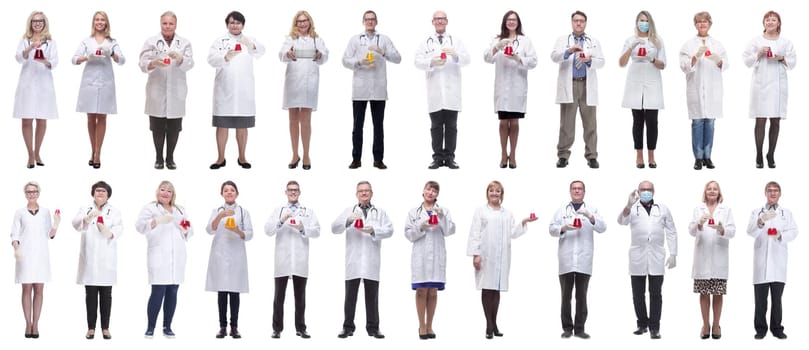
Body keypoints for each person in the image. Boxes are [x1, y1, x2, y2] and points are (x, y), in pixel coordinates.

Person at [467, 180, 537, 339]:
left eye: (497, 191)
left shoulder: (508, 213)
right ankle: (489, 325)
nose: (494, 193)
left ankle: (494, 323)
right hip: (485, 255)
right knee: (487, 288)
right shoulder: (480, 211)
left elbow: (513, 232)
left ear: (501, 194)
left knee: (496, 289)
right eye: (491, 190)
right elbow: (474, 233)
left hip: (501, 256)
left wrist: (524, 222)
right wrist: (475, 254)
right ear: (487, 193)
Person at [331, 181, 393, 339]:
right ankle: (348, 327)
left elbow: (390, 230)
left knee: (372, 297)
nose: (364, 193)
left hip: (371, 261)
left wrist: (374, 230)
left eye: (367, 191)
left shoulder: (380, 212)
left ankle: (373, 328)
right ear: (356, 194)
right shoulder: (348, 211)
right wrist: (348, 220)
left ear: (372, 193)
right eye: (361, 191)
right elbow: (334, 228)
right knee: (350, 297)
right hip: (354, 261)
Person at [617, 180, 677, 339]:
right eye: (643, 189)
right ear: (638, 191)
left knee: (656, 293)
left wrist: (673, 254)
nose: (646, 191)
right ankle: (642, 324)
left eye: (649, 189)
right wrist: (628, 205)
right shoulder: (633, 208)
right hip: (637, 256)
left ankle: (655, 328)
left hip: (657, 256)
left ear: (654, 191)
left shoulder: (663, 209)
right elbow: (621, 222)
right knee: (638, 293)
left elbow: (671, 232)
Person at [342, 10, 401, 170]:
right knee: (357, 126)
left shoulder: (384, 39)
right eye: (367, 19)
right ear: (363, 22)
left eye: (372, 19)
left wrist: (383, 52)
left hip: (378, 88)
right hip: (360, 88)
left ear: (376, 22)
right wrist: (359, 62)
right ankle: (356, 158)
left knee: (378, 126)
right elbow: (345, 60)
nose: (370, 22)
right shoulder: (355, 40)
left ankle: (378, 159)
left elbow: (398, 58)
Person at [135, 180, 193, 338]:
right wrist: (156, 221)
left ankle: (167, 326)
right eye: (162, 189)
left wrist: (182, 226)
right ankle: (150, 327)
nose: (165, 193)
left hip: (178, 256)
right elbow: (139, 226)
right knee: (157, 292)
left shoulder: (180, 210)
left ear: (173, 195)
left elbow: (189, 229)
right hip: (159, 255)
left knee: (173, 292)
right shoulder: (150, 208)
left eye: (169, 191)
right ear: (157, 192)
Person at [207, 10, 266, 170]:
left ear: (243, 25)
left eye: (238, 23)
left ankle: (242, 157)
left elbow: (261, 51)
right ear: (227, 24)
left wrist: (250, 44)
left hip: (243, 92)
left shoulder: (249, 40)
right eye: (232, 22)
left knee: (242, 126)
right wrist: (226, 56)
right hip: (224, 89)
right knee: (222, 125)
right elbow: (211, 59)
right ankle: (220, 158)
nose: (235, 25)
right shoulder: (220, 41)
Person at [548, 180, 606, 339]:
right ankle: (567, 328)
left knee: (581, 296)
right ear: (570, 191)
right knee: (565, 296)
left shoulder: (591, 209)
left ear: (584, 192)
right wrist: (563, 228)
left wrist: (590, 216)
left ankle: (579, 329)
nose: (577, 191)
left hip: (584, 259)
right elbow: (551, 229)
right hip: (566, 260)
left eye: (580, 189)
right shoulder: (562, 210)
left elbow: (602, 228)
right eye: (574, 188)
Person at [138, 11, 194, 170]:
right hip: (157, 90)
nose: (168, 26)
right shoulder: (151, 41)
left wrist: (181, 58)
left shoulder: (184, 43)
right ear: (160, 24)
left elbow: (190, 64)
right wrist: (153, 62)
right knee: (157, 126)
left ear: (176, 25)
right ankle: (158, 157)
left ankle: (170, 158)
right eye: (165, 23)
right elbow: (142, 63)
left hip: (176, 91)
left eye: (171, 23)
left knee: (174, 127)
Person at [265, 181, 321, 339]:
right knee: (278, 298)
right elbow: (267, 230)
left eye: (296, 190)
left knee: (300, 297)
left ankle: (301, 328)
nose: (293, 192)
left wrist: (303, 228)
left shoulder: (308, 211)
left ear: (299, 192)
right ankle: (277, 328)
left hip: (300, 260)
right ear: (286, 192)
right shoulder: (278, 211)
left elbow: (317, 231)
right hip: (282, 260)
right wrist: (281, 221)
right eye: (290, 190)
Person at [415, 11, 470, 170]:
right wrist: (431, 62)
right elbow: (417, 61)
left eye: (442, 19)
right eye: (437, 19)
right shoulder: (426, 42)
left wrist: (456, 55)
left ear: (446, 21)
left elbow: (467, 59)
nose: (439, 21)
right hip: (435, 92)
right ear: (432, 22)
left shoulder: (455, 40)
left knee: (452, 126)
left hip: (452, 91)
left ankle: (450, 158)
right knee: (436, 126)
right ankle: (438, 158)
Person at [742, 11, 797, 169]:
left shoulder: (785, 42)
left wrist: (781, 58)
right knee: (760, 120)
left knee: (775, 120)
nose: (770, 22)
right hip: (760, 85)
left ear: (779, 23)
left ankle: (771, 154)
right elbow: (746, 59)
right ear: (763, 23)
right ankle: (759, 154)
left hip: (777, 86)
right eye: (768, 19)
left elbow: (793, 61)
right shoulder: (756, 41)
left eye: (774, 20)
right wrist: (759, 53)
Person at [551, 11, 604, 169]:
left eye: (581, 21)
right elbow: (554, 56)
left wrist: (589, 61)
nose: (579, 23)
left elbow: (601, 62)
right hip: (570, 85)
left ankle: (592, 156)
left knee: (590, 124)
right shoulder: (563, 40)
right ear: (572, 22)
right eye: (576, 21)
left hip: (587, 84)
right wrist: (568, 52)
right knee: (566, 124)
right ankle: (563, 155)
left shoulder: (593, 41)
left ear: (585, 23)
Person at [72, 11, 125, 169]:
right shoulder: (86, 41)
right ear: (93, 22)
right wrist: (87, 57)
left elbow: (122, 60)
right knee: (90, 118)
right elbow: (74, 59)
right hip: (89, 82)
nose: (100, 22)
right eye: (97, 19)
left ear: (106, 23)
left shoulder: (112, 42)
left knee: (102, 118)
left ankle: (97, 153)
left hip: (105, 82)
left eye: (102, 20)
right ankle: (92, 149)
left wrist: (112, 54)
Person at [484, 10, 537, 169]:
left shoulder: (525, 41)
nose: (511, 22)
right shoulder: (497, 39)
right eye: (508, 20)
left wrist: (518, 58)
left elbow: (534, 61)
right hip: (502, 86)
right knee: (502, 122)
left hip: (517, 86)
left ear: (518, 22)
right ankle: (502, 154)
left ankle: (513, 155)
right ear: (504, 22)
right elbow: (487, 58)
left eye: (514, 20)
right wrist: (496, 47)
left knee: (514, 122)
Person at [71, 181, 124, 340]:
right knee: (91, 295)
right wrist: (86, 219)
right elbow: (75, 224)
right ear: (93, 193)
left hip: (106, 258)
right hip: (90, 257)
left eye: (103, 191)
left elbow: (120, 227)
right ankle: (91, 328)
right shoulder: (85, 208)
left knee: (106, 296)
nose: (100, 193)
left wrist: (109, 233)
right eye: (97, 191)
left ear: (108, 194)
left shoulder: (114, 211)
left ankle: (106, 328)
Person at [404, 181, 456, 339]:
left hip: (437, 256)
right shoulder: (414, 212)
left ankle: (430, 326)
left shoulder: (444, 211)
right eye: (428, 189)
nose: (430, 192)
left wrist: (441, 217)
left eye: (434, 191)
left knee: (433, 291)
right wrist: (422, 226)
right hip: (420, 256)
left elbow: (449, 231)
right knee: (421, 291)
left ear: (437, 195)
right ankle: (421, 326)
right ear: (423, 191)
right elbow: (408, 234)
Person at [746, 181, 798, 339]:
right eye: (769, 190)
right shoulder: (757, 212)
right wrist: (761, 221)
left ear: (780, 194)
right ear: (765, 193)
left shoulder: (786, 213)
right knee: (760, 301)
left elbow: (794, 231)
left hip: (778, 262)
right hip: (761, 263)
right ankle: (760, 330)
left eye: (776, 190)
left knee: (777, 300)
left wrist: (781, 235)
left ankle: (777, 329)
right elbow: (750, 231)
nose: (773, 193)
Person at [280, 10, 329, 170]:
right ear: (296, 23)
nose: (302, 23)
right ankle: (295, 154)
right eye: (299, 21)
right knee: (293, 120)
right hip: (293, 82)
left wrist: (319, 54)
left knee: (306, 121)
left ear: (310, 22)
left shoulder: (317, 39)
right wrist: (288, 53)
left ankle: (306, 154)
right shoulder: (290, 38)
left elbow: (325, 56)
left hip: (309, 82)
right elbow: (281, 55)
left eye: (305, 20)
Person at [679, 12, 727, 170]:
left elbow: (725, 63)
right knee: (698, 123)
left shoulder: (718, 44)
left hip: (713, 91)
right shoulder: (688, 45)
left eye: (704, 22)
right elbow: (684, 66)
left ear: (710, 24)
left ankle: (708, 156)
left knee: (711, 124)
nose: (702, 24)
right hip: (696, 89)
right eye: (699, 22)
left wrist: (717, 60)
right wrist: (695, 57)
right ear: (695, 25)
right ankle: (698, 158)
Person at [688, 180, 736, 339]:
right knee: (703, 293)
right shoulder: (698, 209)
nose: (712, 191)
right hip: (702, 257)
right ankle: (705, 325)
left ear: (719, 193)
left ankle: (716, 325)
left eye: (715, 189)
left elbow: (732, 231)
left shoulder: (726, 209)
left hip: (719, 257)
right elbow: (691, 231)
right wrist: (698, 224)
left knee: (717, 293)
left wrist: (722, 229)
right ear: (705, 192)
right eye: (709, 188)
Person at [11, 182, 59, 338]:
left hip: (41, 255)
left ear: (39, 193)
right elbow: (15, 234)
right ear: (25, 193)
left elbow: (49, 235)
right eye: (28, 191)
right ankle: (27, 324)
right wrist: (16, 248)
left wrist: (56, 224)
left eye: (34, 191)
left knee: (39, 289)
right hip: (24, 255)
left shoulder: (45, 212)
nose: (31, 194)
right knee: (26, 288)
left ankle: (36, 324)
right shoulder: (20, 212)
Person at [205, 181, 253, 339]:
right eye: (226, 190)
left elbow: (250, 234)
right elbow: (209, 230)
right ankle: (222, 327)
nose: (229, 192)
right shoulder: (216, 210)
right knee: (222, 292)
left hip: (236, 255)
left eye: (232, 190)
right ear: (222, 194)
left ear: (237, 193)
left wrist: (237, 230)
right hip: (219, 254)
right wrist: (221, 215)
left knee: (234, 292)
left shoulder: (243, 212)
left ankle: (234, 327)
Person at [619, 11, 666, 169]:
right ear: (636, 22)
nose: (643, 23)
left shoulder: (657, 41)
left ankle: (651, 156)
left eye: (646, 21)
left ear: (650, 23)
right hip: (635, 81)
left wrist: (651, 58)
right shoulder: (630, 40)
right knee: (637, 121)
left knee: (652, 122)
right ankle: (639, 156)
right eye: (641, 20)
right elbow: (621, 63)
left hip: (652, 81)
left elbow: (663, 64)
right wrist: (631, 47)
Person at [14, 11, 58, 169]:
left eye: (40, 21)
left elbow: (55, 62)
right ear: (30, 23)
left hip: (44, 84)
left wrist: (45, 60)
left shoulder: (50, 42)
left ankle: (37, 152)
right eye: (34, 21)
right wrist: (29, 49)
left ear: (44, 23)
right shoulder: (24, 40)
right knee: (26, 119)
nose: (37, 23)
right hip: (27, 83)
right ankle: (30, 155)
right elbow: (18, 58)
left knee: (41, 119)